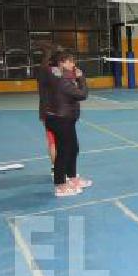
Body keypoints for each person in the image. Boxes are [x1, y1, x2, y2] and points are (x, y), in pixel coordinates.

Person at [43, 50, 91, 197]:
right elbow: (82, 95)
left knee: (73, 148)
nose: (73, 64)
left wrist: (74, 76)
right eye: (69, 61)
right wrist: (81, 78)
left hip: (65, 119)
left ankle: (72, 178)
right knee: (63, 152)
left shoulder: (60, 76)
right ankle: (60, 186)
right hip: (60, 120)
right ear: (61, 63)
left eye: (73, 61)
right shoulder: (61, 80)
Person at [36, 43, 58, 176]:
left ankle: (55, 167)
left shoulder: (41, 73)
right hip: (54, 112)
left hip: (46, 112)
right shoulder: (53, 74)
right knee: (56, 142)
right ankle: (57, 169)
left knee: (53, 141)